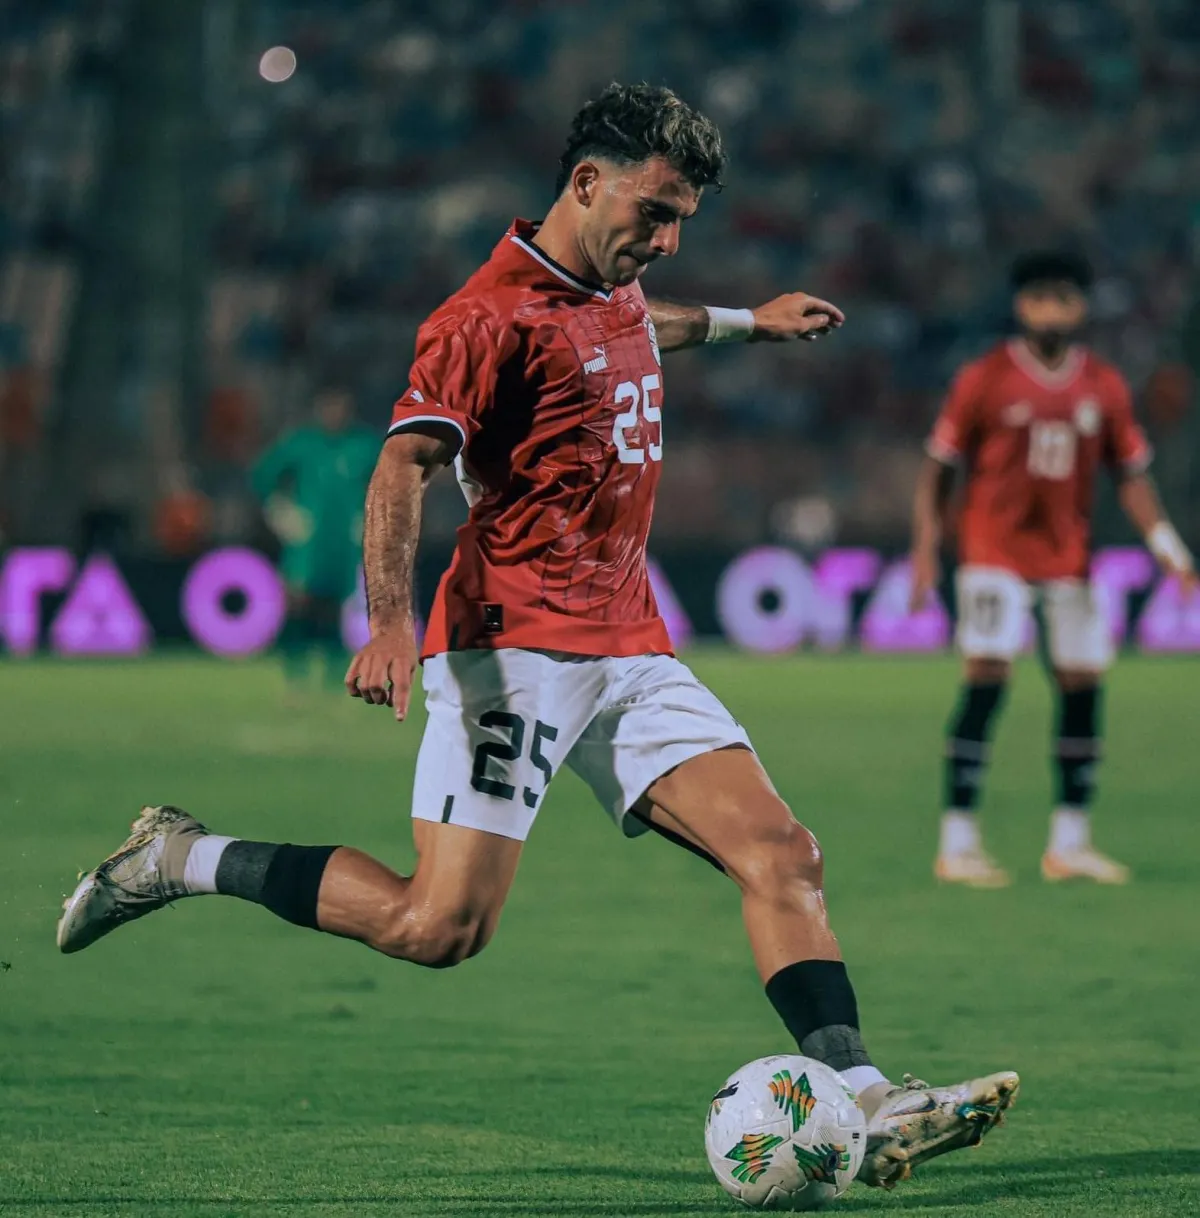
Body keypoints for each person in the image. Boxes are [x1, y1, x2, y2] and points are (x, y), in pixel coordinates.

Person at [58, 84, 1017, 1190]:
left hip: (630, 644)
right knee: (437, 926)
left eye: (681, 223)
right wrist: (387, 624)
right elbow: (403, 467)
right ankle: (177, 857)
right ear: (586, 183)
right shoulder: (482, 319)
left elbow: (641, 327)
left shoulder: (613, 285)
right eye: (654, 215)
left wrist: (752, 322)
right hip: (509, 652)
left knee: (784, 854)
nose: (665, 241)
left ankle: (866, 1094)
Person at [910, 251, 1196, 889]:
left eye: (1063, 296)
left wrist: (1168, 546)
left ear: (1082, 306)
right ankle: (958, 842)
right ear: (1020, 304)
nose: (1050, 308)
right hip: (993, 553)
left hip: (1069, 560)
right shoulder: (984, 377)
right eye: (1039, 296)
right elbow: (939, 468)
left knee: (1082, 686)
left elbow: (1132, 475)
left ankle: (1069, 843)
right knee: (988, 676)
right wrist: (925, 548)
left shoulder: (1104, 384)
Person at [250, 388, 378, 690]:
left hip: (343, 544)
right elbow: (262, 476)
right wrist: (281, 512)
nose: (335, 413)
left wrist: (370, 516)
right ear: (319, 408)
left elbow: (391, 484)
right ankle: (296, 674)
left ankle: (335, 676)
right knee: (299, 604)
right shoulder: (302, 443)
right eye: (329, 406)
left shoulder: (364, 445)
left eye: (340, 406)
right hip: (307, 543)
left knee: (336, 609)